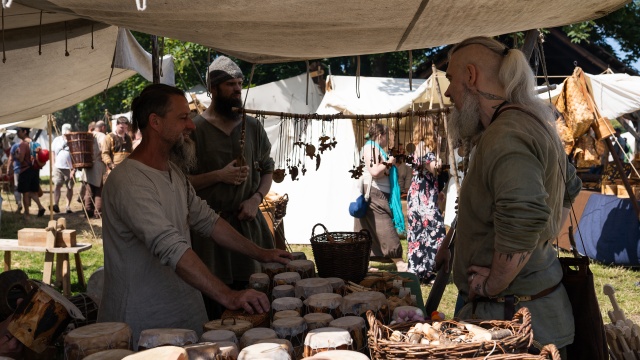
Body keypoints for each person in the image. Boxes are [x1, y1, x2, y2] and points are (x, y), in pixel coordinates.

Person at [98, 83, 291, 346]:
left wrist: (262, 253)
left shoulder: (174, 173)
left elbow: (209, 221)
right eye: (183, 118)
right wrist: (229, 296)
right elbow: (169, 245)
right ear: (155, 122)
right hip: (143, 325)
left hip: (183, 314)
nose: (191, 126)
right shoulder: (128, 181)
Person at [435, 37, 582, 353]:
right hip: (524, 316)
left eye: (451, 79)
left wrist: (493, 283)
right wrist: (454, 242)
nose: (448, 93)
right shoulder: (531, 124)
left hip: (512, 326)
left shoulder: (506, 134)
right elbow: (569, 187)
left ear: (471, 76)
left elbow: (524, 215)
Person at [188, 56, 276, 319]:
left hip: (249, 226)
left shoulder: (252, 125)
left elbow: (268, 169)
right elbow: (180, 182)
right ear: (213, 89)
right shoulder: (194, 129)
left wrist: (256, 199)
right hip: (210, 233)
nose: (237, 89)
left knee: (258, 299)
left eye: (239, 84)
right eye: (230, 84)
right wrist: (219, 175)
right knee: (216, 304)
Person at [355, 123, 407, 271]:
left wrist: (389, 166)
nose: (387, 139)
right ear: (380, 135)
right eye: (386, 136)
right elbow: (375, 171)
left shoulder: (375, 148)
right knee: (385, 224)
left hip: (377, 192)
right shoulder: (369, 148)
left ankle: (364, 262)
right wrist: (388, 163)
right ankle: (398, 261)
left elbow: (382, 173)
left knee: (367, 229)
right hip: (374, 193)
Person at [406, 117, 445, 284]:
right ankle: (422, 270)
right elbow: (433, 167)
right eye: (435, 128)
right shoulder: (423, 147)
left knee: (420, 235)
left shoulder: (417, 147)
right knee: (435, 232)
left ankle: (420, 272)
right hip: (422, 198)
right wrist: (439, 161)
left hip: (421, 195)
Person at [15, 127, 46, 218]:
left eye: (18, 131)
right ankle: (40, 207)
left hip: (25, 170)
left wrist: (17, 155)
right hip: (35, 170)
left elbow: (21, 159)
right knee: (33, 191)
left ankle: (27, 214)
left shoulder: (23, 144)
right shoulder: (36, 143)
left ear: (25, 132)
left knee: (25, 192)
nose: (17, 133)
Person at [82, 121, 107, 219]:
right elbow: (104, 150)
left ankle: (87, 211)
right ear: (103, 127)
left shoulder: (88, 134)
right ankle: (98, 212)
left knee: (89, 189)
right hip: (97, 165)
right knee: (98, 189)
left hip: (87, 165)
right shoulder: (102, 136)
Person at [51, 123, 75, 214]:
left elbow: (76, 156)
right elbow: (52, 152)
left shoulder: (73, 140)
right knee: (57, 185)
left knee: (69, 187)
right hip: (58, 167)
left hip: (70, 168)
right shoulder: (57, 140)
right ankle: (56, 204)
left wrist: (74, 170)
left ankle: (68, 206)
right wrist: (53, 164)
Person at [8, 135, 22, 213]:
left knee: (17, 188)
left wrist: (8, 169)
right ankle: (26, 207)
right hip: (26, 169)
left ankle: (19, 203)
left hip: (17, 169)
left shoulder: (14, 146)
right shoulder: (28, 145)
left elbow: (10, 158)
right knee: (26, 190)